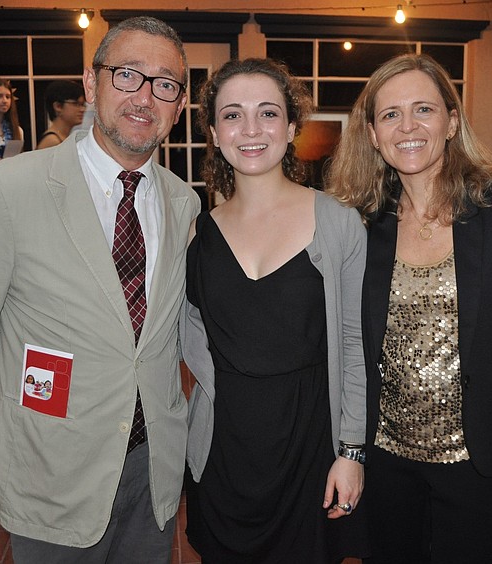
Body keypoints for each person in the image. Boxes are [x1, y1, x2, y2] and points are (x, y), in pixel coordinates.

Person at [0, 16, 198, 563]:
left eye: (165, 84)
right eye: (128, 75)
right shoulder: (8, 189)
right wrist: (36, 402)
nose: (145, 96)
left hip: (154, 468)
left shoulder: (183, 202)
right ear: (90, 83)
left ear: (179, 104)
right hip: (54, 468)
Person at [325, 53, 492, 563]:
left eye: (423, 110)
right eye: (390, 115)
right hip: (386, 463)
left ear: (451, 122)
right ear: (371, 132)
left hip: (477, 462)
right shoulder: (361, 225)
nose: (407, 127)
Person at [180, 58, 368, 563]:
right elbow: (192, 338)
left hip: (310, 453)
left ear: (290, 127)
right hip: (223, 456)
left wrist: (351, 452)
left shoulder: (339, 224)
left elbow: (354, 345)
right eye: (233, 115)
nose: (251, 130)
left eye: (267, 113)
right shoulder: (197, 234)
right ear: (215, 134)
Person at [36, 80, 86, 150]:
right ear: (58, 106)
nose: (82, 109)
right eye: (76, 104)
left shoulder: (63, 138)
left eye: (82, 105)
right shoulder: (52, 141)